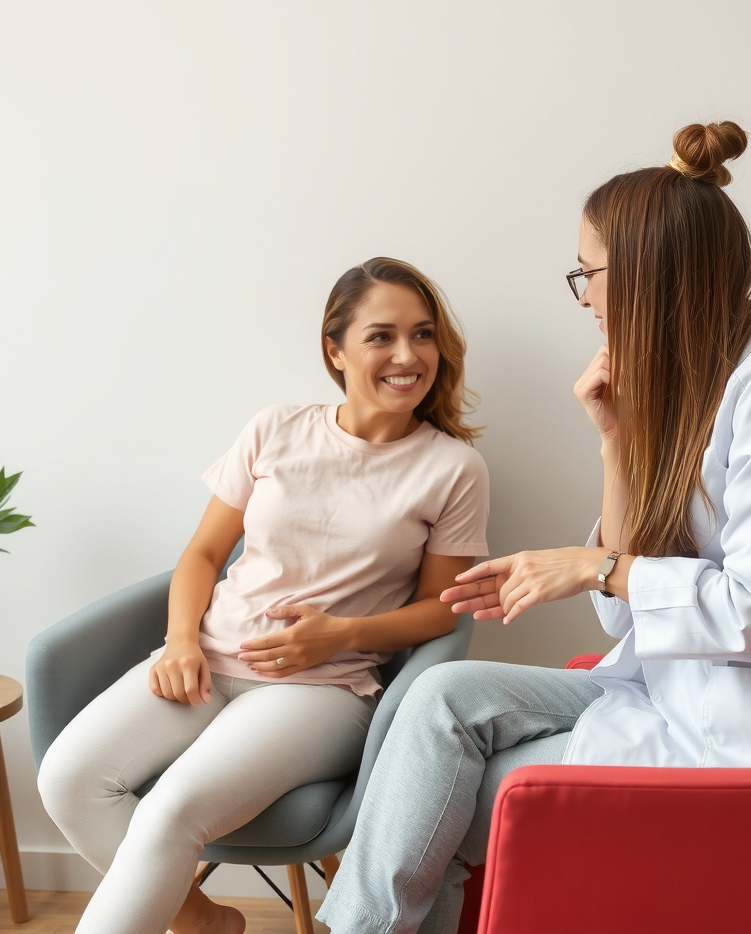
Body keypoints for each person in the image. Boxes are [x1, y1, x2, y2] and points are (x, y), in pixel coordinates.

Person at [316, 121, 751, 934]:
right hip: (676, 689)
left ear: (648, 273)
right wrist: (615, 442)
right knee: (438, 701)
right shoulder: (690, 383)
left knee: (449, 799)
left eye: (589, 272)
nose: (585, 298)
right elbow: (623, 613)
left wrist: (593, 567)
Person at [37, 258, 489, 934]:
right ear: (334, 350)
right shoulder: (276, 428)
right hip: (208, 663)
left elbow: (440, 610)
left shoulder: (452, 469)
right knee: (68, 780)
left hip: (321, 691)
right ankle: (203, 922)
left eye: (423, 335)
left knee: (173, 809)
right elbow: (203, 555)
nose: (407, 355)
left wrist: (338, 635)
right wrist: (182, 641)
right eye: (381, 336)